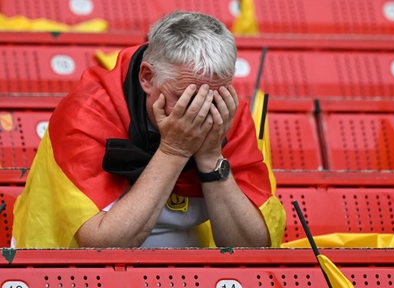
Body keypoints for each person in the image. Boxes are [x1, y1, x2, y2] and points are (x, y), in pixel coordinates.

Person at [12, 11, 285, 248]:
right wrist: (174, 150)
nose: (199, 112)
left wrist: (211, 157)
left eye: (213, 97)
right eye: (185, 98)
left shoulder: (224, 112)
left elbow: (254, 247)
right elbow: (102, 245)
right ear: (147, 77)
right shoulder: (87, 112)